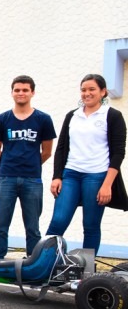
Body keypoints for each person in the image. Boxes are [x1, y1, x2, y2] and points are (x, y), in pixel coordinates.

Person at [46, 74, 128, 255]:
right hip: (71, 174)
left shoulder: (113, 116)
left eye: (92, 89)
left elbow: (118, 153)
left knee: (90, 225)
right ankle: (43, 265)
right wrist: (57, 176)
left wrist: (107, 185)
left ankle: (86, 272)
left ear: (103, 92)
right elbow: (61, 149)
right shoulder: (72, 116)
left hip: (97, 176)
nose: (87, 93)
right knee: (58, 221)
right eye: (83, 90)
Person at [0, 76, 57, 259]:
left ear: (32, 92)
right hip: (6, 178)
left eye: (25, 90)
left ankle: (34, 263)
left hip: (32, 179)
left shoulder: (43, 119)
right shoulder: (2, 119)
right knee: (1, 225)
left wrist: (30, 163)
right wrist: (11, 162)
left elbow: (47, 152)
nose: (21, 93)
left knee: (33, 227)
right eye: (17, 90)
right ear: (12, 92)